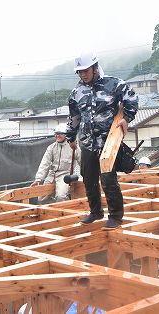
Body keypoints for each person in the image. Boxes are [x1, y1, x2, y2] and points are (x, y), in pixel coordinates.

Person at [66, 52, 138, 230]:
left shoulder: (114, 84)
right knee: (89, 178)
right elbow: (74, 116)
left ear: (95, 68)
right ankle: (95, 211)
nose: (83, 74)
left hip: (108, 142)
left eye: (86, 70)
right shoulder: (76, 92)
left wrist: (127, 118)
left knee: (108, 179)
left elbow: (132, 99)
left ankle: (115, 216)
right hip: (88, 142)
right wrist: (70, 136)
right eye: (80, 72)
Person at [31, 123, 81, 203]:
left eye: (60, 134)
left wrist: (88, 176)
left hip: (64, 175)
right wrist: (38, 179)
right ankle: (49, 212)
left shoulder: (72, 147)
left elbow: (82, 161)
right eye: (56, 134)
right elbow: (44, 164)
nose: (57, 136)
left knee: (61, 197)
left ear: (66, 135)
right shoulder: (52, 147)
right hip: (52, 175)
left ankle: (65, 211)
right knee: (41, 198)